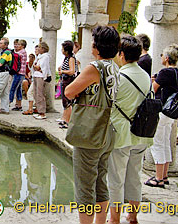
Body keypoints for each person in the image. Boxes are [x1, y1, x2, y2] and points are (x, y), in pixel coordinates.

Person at [64, 25, 120, 224]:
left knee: (85, 186)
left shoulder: (95, 67)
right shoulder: (114, 67)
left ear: (96, 47)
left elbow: (69, 91)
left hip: (91, 133)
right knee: (100, 182)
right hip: (107, 132)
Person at [107, 36, 153, 224]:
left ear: (122, 54)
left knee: (116, 179)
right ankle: (132, 216)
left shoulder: (119, 77)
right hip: (141, 133)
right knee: (135, 176)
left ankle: (114, 218)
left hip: (120, 134)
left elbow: (109, 105)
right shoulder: (146, 76)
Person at [145, 44, 178, 189]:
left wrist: (153, 80)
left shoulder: (165, 72)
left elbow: (153, 90)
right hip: (171, 113)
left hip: (161, 111)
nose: (160, 57)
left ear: (166, 58)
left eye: (162, 55)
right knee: (165, 142)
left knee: (157, 143)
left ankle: (158, 178)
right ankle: (164, 175)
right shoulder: (177, 73)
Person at [56, 40, 76, 129]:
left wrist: (62, 71)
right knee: (65, 101)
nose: (61, 50)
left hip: (68, 80)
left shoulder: (71, 58)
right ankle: (65, 118)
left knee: (68, 101)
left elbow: (72, 71)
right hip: (64, 80)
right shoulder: (67, 58)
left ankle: (67, 121)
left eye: (63, 49)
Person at [32, 41, 51, 120]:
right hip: (36, 75)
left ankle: (42, 112)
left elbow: (40, 67)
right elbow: (34, 66)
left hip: (40, 76)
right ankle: (38, 109)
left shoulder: (45, 57)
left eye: (39, 47)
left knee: (40, 94)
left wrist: (36, 67)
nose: (38, 49)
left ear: (43, 49)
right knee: (36, 93)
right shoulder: (39, 56)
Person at [9, 39, 27, 111]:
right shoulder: (22, 52)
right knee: (18, 89)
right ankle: (18, 105)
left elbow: (15, 55)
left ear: (22, 46)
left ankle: (8, 102)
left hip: (19, 73)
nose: (17, 46)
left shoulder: (21, 52)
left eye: (19, 44)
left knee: (13, 88)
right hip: (20, 73)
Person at [22, 46, 39, 115]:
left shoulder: (40, 59)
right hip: (34, 78)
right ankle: (34, 108)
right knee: (34, 93)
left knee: (30, 93)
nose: (36, 51)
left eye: (37, 50)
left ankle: (30, 109)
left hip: (37, 78)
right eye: (35, 50)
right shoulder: (36, 59)